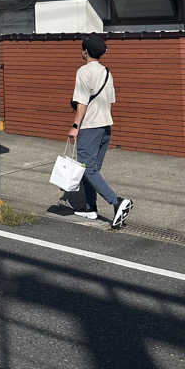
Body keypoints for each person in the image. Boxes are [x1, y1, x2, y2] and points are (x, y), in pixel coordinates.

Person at [68, 34, 133, 229]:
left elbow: (82, 102)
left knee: (87, 168)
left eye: (82, 48)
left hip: (90, 127)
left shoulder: (83, 72)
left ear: (86, 51)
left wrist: (75, 127)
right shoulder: (107, 72)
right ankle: (90, 208)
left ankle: (117, 202)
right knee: (91, 169)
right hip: (105, 127)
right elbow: (111, 100)